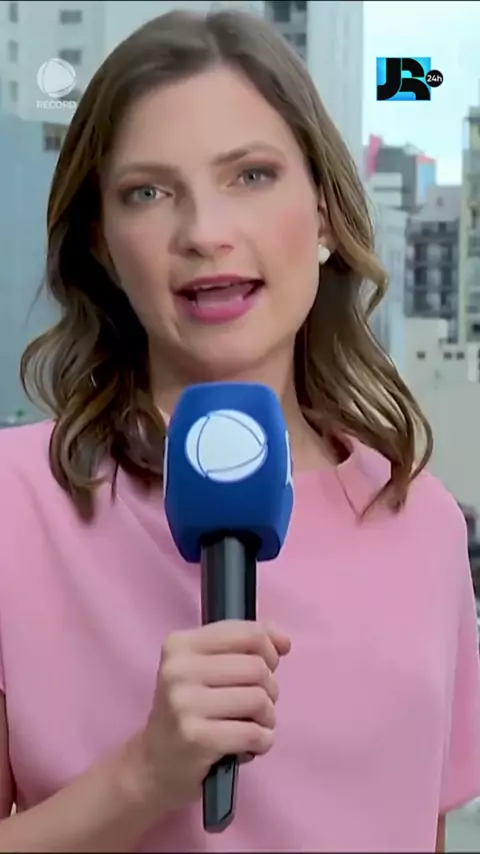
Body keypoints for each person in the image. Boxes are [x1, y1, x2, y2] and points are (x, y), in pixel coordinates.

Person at [0, 7, 478, 852]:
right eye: (148, 193)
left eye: (251, 176)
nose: (204, 233)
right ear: (103, 245)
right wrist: (144, 775)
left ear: (325, 213)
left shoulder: (422, 524)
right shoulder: (16, 505)